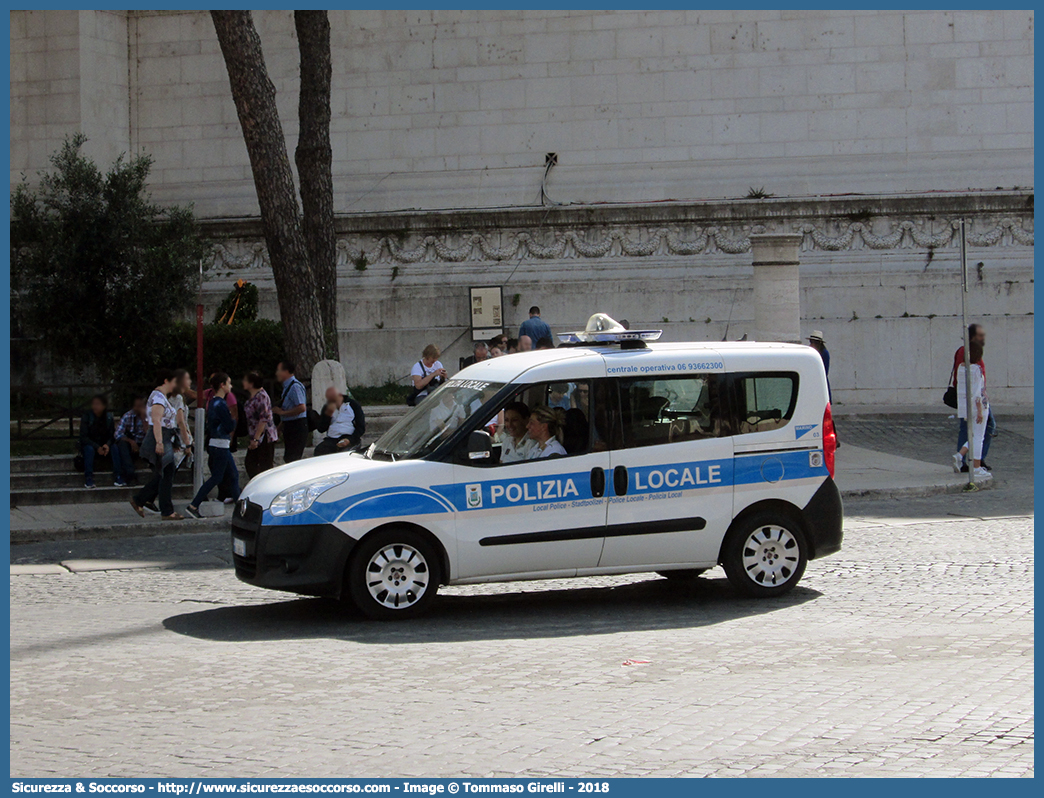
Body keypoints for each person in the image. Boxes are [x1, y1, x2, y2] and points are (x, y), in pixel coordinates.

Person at [130, 370, 184, 521]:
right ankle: (166, 510)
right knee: (167, 474)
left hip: (164, 438)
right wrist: (160, 442)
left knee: (165, 473)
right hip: (159, 438)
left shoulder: (161, 397)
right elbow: (157, 420)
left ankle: (140, 500)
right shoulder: (158, 397)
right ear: (166, 381)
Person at [185, 373, 241, 517]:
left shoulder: (213, 403)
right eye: (228, 383)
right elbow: (229, 425)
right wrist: (233, 422)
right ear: (222, 385)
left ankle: (241, 508)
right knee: (217, 477)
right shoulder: (221, 404)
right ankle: (194, 505)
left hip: (218, 444)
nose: (231, 386)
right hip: (221, 444)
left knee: (234, 475)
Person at [952, 324, 995, 471]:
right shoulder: (969, 355)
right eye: (980, 335)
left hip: (974, 399)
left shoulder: (970, 355)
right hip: (976, 401)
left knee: (973, 430)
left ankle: (964, 457)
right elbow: (971, 384)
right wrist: (978, 404)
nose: (983, 338)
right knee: (976, 432)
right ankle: (974, 461)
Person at [242, 371, 278, 478]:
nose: (243, 382)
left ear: (251, 383)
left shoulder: (262, 397)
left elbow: (263, 419)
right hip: (255, 435)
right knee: (251, 464)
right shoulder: (253, 397)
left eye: (245, 380)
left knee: (263, 465)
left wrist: (256, 439)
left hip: (264, 436)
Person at [273, 361, 308, 463]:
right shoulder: (287, 387)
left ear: (286, 371)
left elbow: (301, 408)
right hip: (289, 425)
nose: (276, 373)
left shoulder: (295, 387)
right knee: (289, 457)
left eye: (279, 370)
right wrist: (279, 428)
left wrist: (282, 413)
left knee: (293, 458)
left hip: (297, 426)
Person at [808, 330, 839, 447]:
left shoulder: (824, 353)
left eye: (813, 342)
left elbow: (824, 371)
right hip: (814, 383)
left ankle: (834, 438)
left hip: (821, 383)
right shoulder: (813, 352)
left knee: (826, 414)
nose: (811, 344)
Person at [314, 386, 364, 455]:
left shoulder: (353, 405)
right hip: (332, 439)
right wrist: (327, 416)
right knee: (320, 450)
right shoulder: (327, 407)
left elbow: (361, 427)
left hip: (349, 437)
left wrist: (349, 440)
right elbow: (321, 429)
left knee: (344, 453)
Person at [78, 394, 115, 489]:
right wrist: (96, 447)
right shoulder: (87, 416)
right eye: (94, 404)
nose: (95, 406)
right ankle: (89, 478)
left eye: (98, 404)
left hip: (103, 445)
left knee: (115, 448)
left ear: (104, 406)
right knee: (89, 450)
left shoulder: (108, 417)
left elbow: (112, 435)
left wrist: (107, 444)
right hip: (90, 445)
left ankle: (119, 475)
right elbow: (84, 436)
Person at [112, 396, 147, 487]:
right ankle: (130, 474)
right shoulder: (128, 416)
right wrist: (131, 442)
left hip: (144, 443)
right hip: (131, 443)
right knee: (122, 445)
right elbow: (117, 434)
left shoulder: (149, 416)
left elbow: (151, 435)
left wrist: (144, 419)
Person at [170, 369, 196, 470]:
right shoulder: (178, 398)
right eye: (187, 379)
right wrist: (187, 443)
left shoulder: (175, 397)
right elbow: (180, 421)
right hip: (179, 440)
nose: (190, 382)